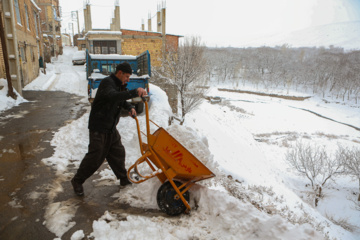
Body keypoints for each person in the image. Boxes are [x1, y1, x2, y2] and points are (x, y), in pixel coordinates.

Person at [71, 62, 147, 196]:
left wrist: (130, 107)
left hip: (110, 127)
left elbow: (120, 100)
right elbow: (113, 96)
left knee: (118, 152)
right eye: (127, 76)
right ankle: (77, 181)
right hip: (99, 127)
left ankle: (123, 178)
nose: (128, 80)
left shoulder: (118, 85)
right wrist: (134, 92)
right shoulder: (108, 83)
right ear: (120, 73)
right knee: (95, 157)